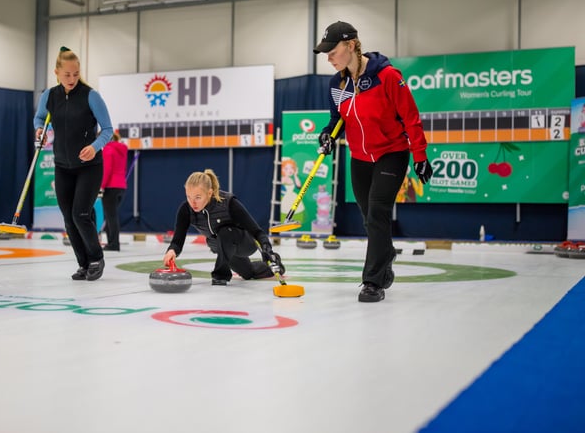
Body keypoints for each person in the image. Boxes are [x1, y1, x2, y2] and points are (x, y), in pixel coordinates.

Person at [313, 21, 433, 303]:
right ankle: (386, 254)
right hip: (359, 157)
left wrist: (420, 156)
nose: (328, 58)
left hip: (391, 153)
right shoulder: (337, 83)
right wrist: (327, 136)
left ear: (351, 45)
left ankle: (373, 281)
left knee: (378, 212)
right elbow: (336, 121)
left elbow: (410, 118)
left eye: (332, 51)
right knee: (369, 218)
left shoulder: (388, 76)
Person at [34, 47, 114, 281]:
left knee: (80, 213)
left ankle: (96, 258)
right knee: (68, 218)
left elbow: (108, 129)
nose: (71, 79)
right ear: (56, 72)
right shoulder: (49, 95)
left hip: (89, 166)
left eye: (76, 74)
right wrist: (39, 129)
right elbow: (39, 118)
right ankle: (83, 264)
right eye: (67, 74)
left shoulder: (91, 96)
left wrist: (94, 147)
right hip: (62, 165)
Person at [163, 169, 284, 286]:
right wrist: (172, 251)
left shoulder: (228, 202)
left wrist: (267, 249)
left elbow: (256, 231)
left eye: (198, 197)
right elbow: (178, 239)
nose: (192, 203)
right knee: (248, 273)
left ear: (209, 193)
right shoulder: (186, 210)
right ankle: (275, 264)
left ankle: (220, 276)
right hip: (222, 248)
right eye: (189, 197)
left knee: (224, 231)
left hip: (244, 243)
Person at [100, 131, 128, 251]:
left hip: (110, 187)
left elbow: (107, 170)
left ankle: (113, 243)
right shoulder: (121, 150)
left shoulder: (108, 150)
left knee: (110, 216)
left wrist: (101, 186)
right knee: (112, 215)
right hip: (121, 186)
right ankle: (113, 242)